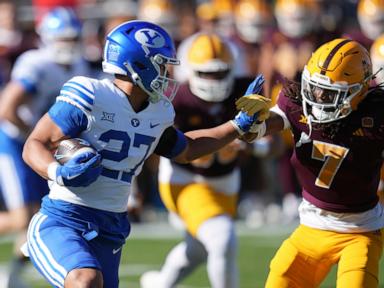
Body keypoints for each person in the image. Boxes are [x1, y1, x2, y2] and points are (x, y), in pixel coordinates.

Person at [21, 20, 268, 287]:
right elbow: (35, 143)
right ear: (137, 64)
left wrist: (237, 125)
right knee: (85, 280)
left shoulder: (158, 111)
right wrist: (58, 172)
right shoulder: (91, 94)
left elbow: (187, 149)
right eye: (161, 64)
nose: (167, 72)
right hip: (63, 218)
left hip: (111, 226)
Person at [236, 38, 384, 288]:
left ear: (358, 91)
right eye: (315, 88)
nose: (319, 98)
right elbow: (262, 131)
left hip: (360, 232)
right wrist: (248, 124)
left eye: (330, 93)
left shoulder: (376, 115)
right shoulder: (296, 103)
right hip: (310, 228)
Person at [140, 32, 260, 288]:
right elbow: (176, 151)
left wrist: (258, 142)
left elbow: (270, 143)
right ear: (191, 71)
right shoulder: (176, 100)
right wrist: (226, 143)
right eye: (205, 73)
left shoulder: (244, 90)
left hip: (226, 183)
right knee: (222, 238)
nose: (213, 80)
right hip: (185, 181)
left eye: (219, 73)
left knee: (199, 250)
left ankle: (160, 283)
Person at [0, 7, 91, 287]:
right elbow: (6, 108)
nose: (67, 45)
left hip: (44, 148)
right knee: (21, 218)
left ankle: (12, 275)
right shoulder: (35, 63)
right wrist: (37, 137)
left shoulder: (80, 66)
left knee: (44, 217)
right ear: (47, 37)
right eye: (61, 39)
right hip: (16, 144)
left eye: (71, 38)